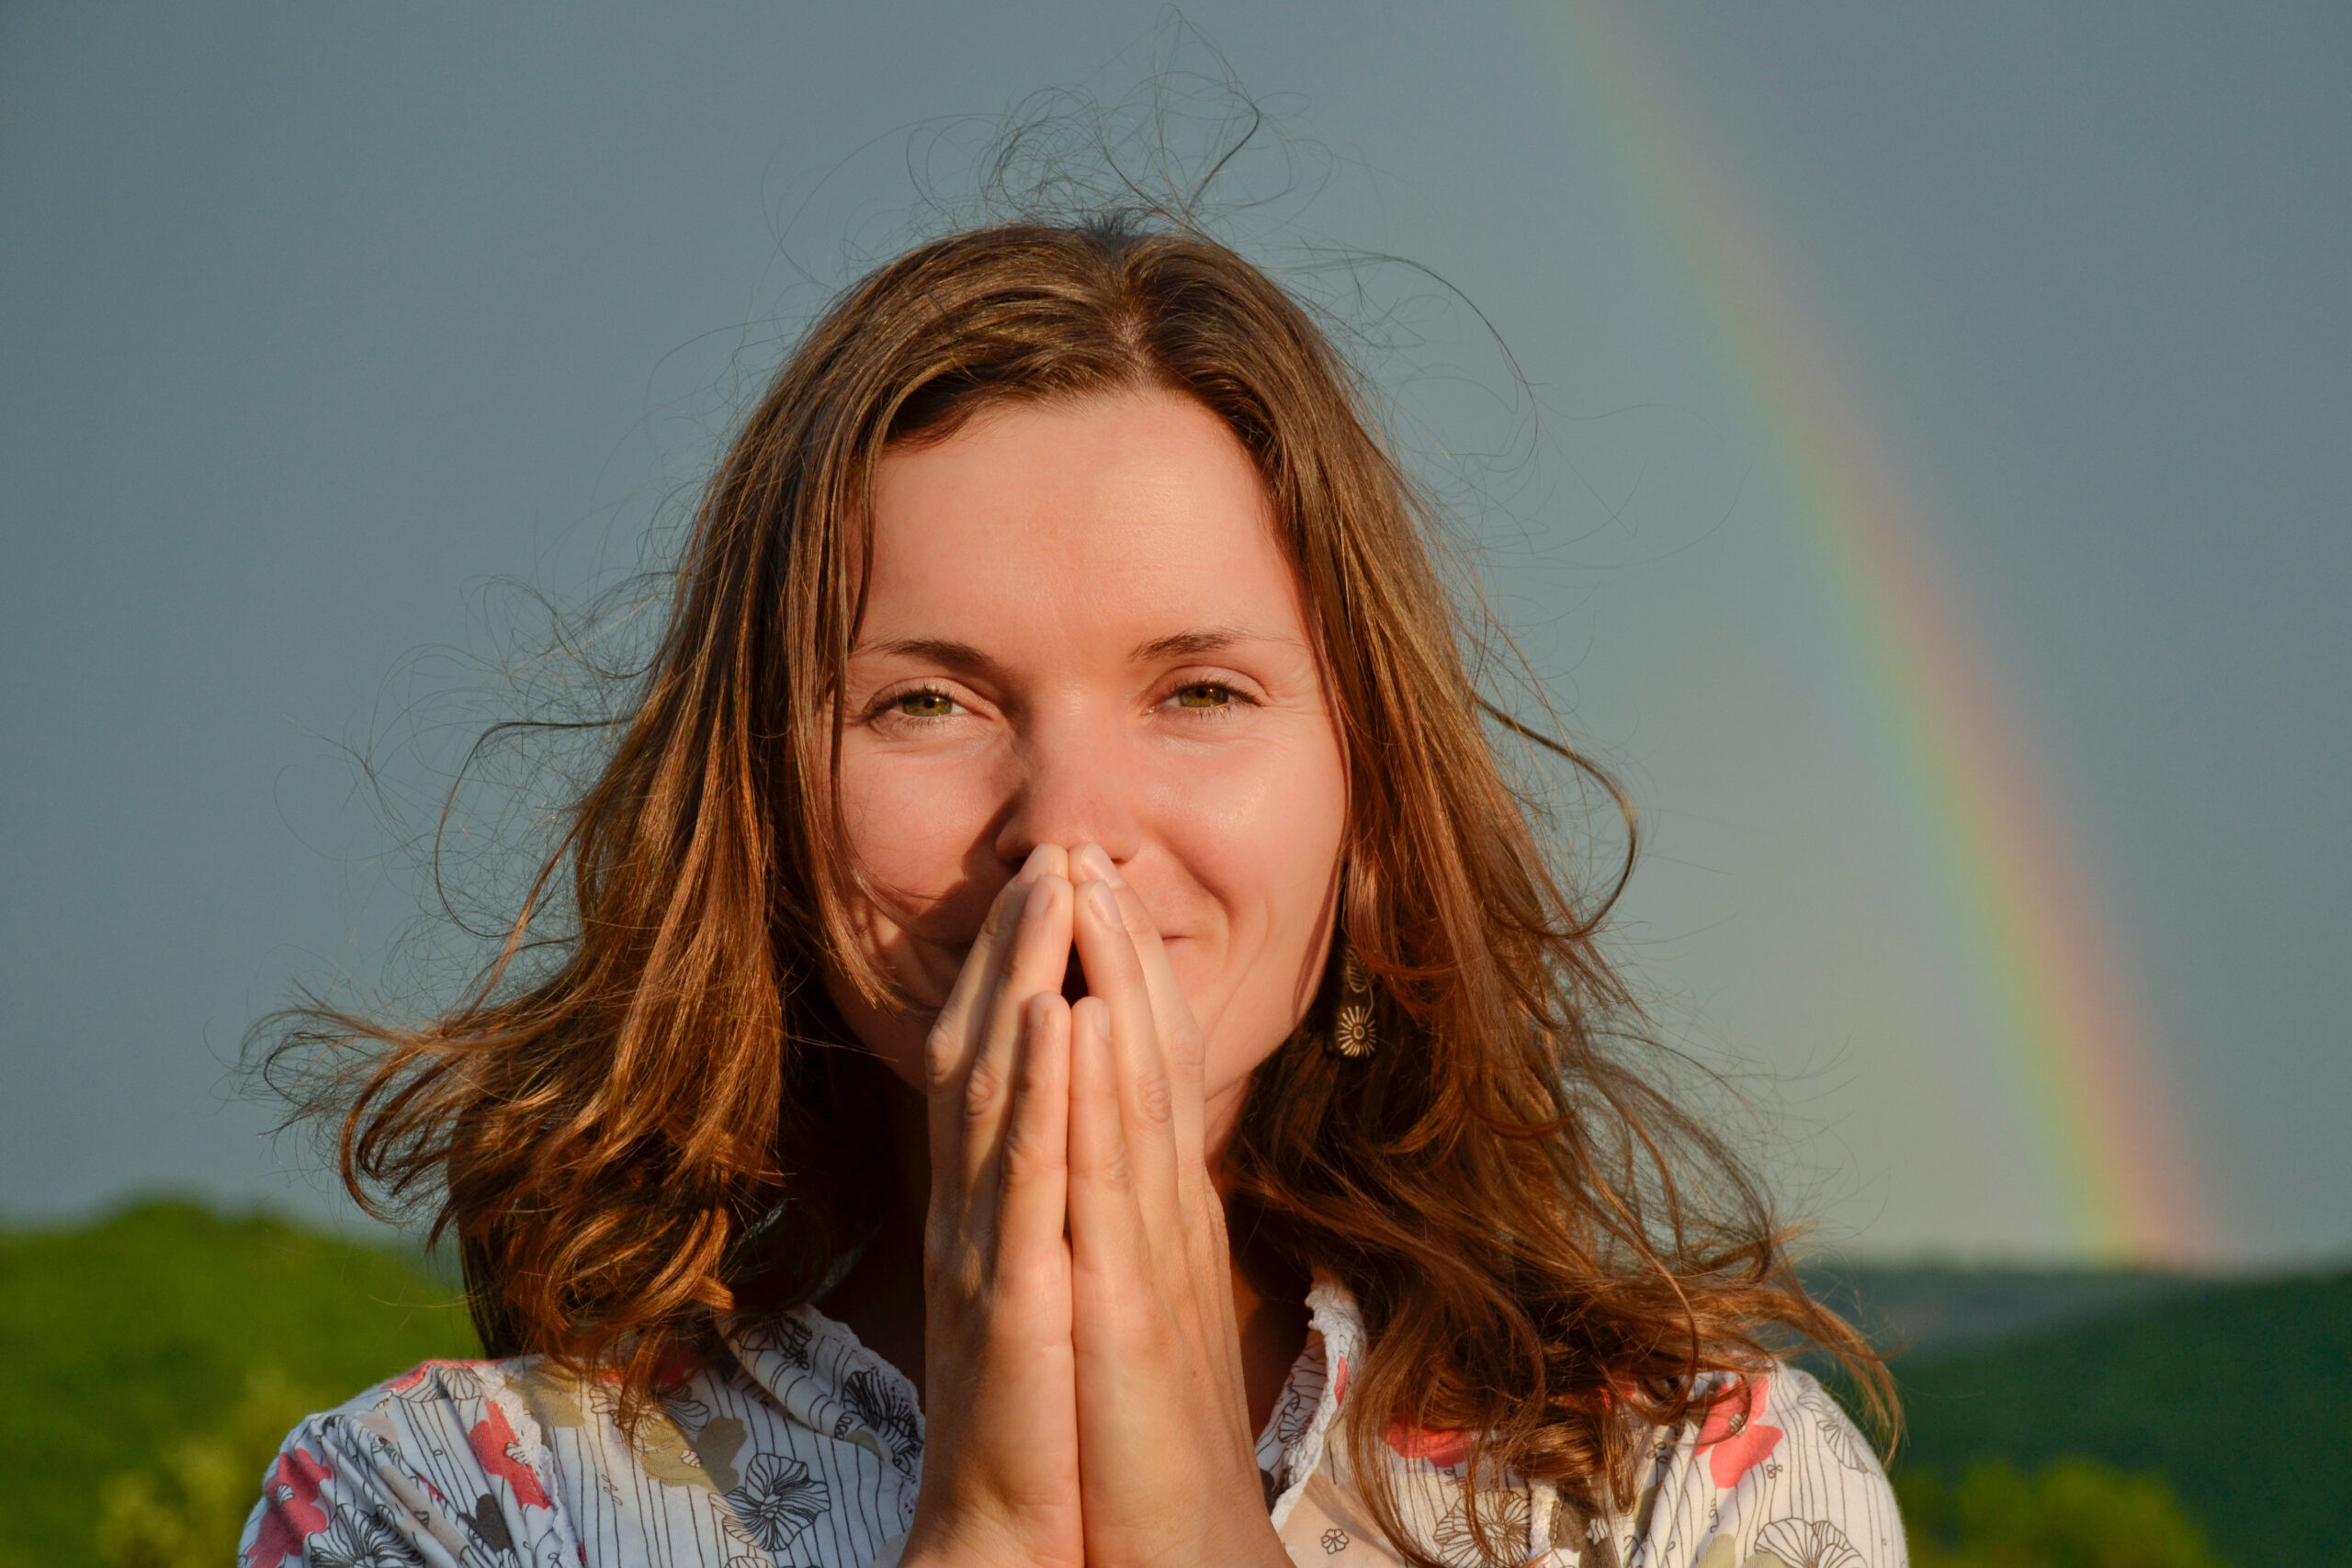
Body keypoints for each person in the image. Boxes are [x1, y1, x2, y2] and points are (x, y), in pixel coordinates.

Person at [246, 216, 1905, 1568]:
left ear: (1372, 804)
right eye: (929, 702)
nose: (1071, 829)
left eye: (1200, 692)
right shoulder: (454, 1507)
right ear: (759, 803)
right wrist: (995, 1527)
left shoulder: (1701, 1499)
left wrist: (1195, 1525)